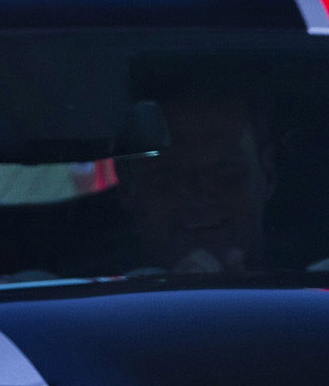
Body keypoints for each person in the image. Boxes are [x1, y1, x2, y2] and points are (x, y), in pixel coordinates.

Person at [116, 92, 278, 274]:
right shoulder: (91, 294)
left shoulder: (313, 288)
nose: (199, 193)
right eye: (170, 177)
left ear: (268, 174)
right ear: (128, 189)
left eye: (225, 173)